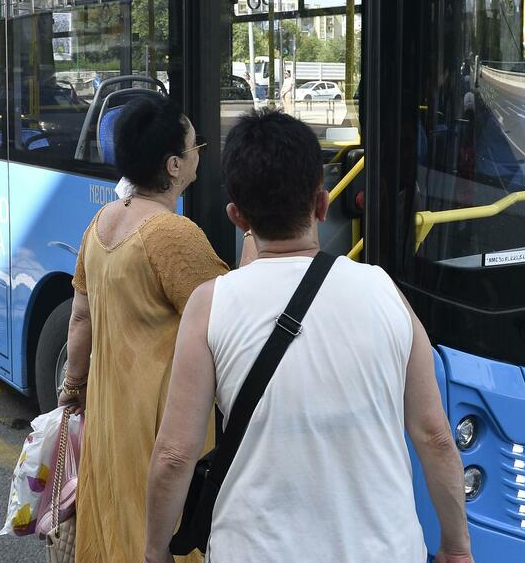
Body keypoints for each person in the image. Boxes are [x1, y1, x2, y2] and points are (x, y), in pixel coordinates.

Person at [143, 109, 473, 563]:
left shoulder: (209, 305)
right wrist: (456, 547)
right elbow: (434, 436)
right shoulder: (383, 290)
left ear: (237, 217)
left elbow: (175, 455)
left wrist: (155, 551)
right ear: (322, 204)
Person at [59, 95, 229, 563]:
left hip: (109, 411)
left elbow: (80, 317)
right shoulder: (173, 235)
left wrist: (72, 387)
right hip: (160, 421)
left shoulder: (102, 221)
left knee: (114, 520)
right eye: (195, 146)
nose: (199, 154)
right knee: (158, 529)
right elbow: (230, 319)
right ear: (174, 165)